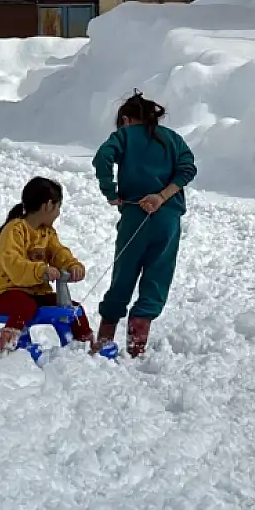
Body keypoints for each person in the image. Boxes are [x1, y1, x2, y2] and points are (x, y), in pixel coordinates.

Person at [91, 91, 197, 357]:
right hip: (167, 218)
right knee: (158, 274)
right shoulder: (173, 139)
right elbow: (187, 169)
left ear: (125, 119)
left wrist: (111, 192)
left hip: (135, 215)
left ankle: (105, 340)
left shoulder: (124, 136)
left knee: (124, 273)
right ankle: (137, 345)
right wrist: (161, 196)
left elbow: (102, 157)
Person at [0, 177, 92, 358]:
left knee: (73, 308)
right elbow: (14, 263)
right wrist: (40, 270)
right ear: (48, 206)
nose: (58, 213)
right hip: (6, 292)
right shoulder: (14, 230)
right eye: (58, 207)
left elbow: (58, 253)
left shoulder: (46, 233)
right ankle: (7, 346)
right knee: (25, 306)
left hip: (35, 294)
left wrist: (72, 265)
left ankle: (87, 346)